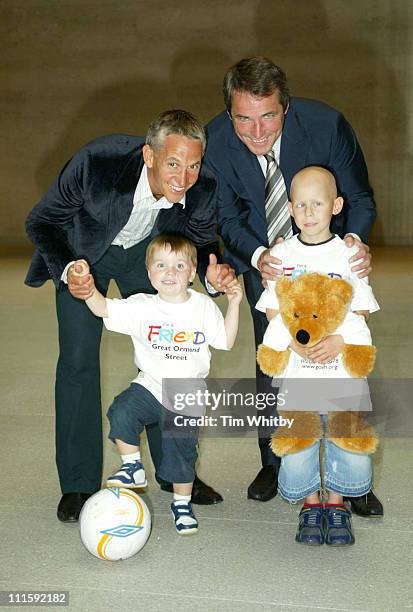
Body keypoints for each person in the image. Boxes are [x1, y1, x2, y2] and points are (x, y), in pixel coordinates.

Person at [25, 109, 236, 523]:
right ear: (149, 155)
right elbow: (42, 220)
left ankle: (175, 476)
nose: (184, 177)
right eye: (173, 163)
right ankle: (78, 483)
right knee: (78, 362)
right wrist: (70, 269)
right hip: (85, 254)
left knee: (169, 360)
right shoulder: (97, 164)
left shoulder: (203, 185)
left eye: (193, 165)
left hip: (148, 257)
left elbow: (201, 240)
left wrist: (213, 273)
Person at [205, 56, 383, 516]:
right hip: (267, 261)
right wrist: (260, 256)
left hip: (330, 256)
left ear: (286, 106)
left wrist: (355, 242)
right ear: (229, 114)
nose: (257, 132)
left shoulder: (326, 126)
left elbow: (359, 197)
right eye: (243, 118)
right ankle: (276, 461)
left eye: (268, 116)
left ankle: (352, 477)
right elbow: (228, 217)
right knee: (274, 357)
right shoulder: (219, 142)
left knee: (347, 359)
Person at [71, 233, 242, 535]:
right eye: (161, 265)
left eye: (179, 265)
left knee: (181, 454)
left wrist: (235, 304)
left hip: (186, 393)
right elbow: (104, 309)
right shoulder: (141, 306)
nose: (169, 272)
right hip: (150, 384)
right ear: (149, 272)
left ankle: (181, 503)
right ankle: (132, 466)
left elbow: (226, 342)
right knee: (122, 410)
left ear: (192, 273)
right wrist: (87, 291)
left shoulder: (202, 307)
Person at [257, 166, 379, 545]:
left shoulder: (348, 255)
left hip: (342, 374)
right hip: (298, 374)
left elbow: (360, 309)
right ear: (290, 209)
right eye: (301, 205)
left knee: (346, 440)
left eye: (318, 203)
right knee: (301, 443)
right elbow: (272, 309)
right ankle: (312, 504)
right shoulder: (283, 254)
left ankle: (337, 504)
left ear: (336, 206)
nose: (309, 212)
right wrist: (293, 342)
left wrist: (341, 342)